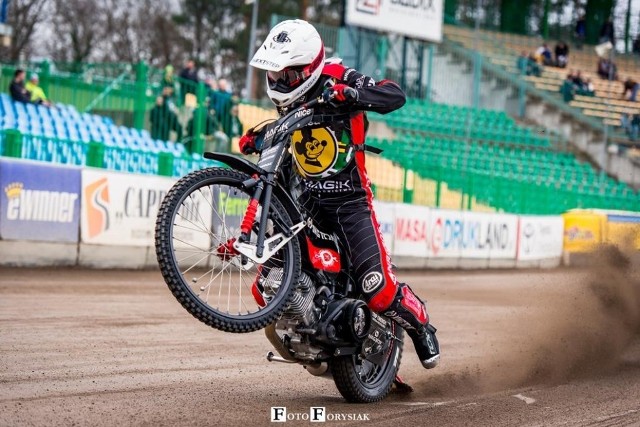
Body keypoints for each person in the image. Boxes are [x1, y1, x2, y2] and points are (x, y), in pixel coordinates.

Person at [239, 19, 440, 369]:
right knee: (265, 286)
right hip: (307, 204)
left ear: (310, 67)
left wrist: (353, 96)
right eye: (274, 76)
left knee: (378, 290)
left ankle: (420, 324)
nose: (279, 83)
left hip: (351, 202)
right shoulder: (286, 101)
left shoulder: (338, 75)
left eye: (288, 75)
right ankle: (316, 327)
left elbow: (395, 94)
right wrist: (260, 136)